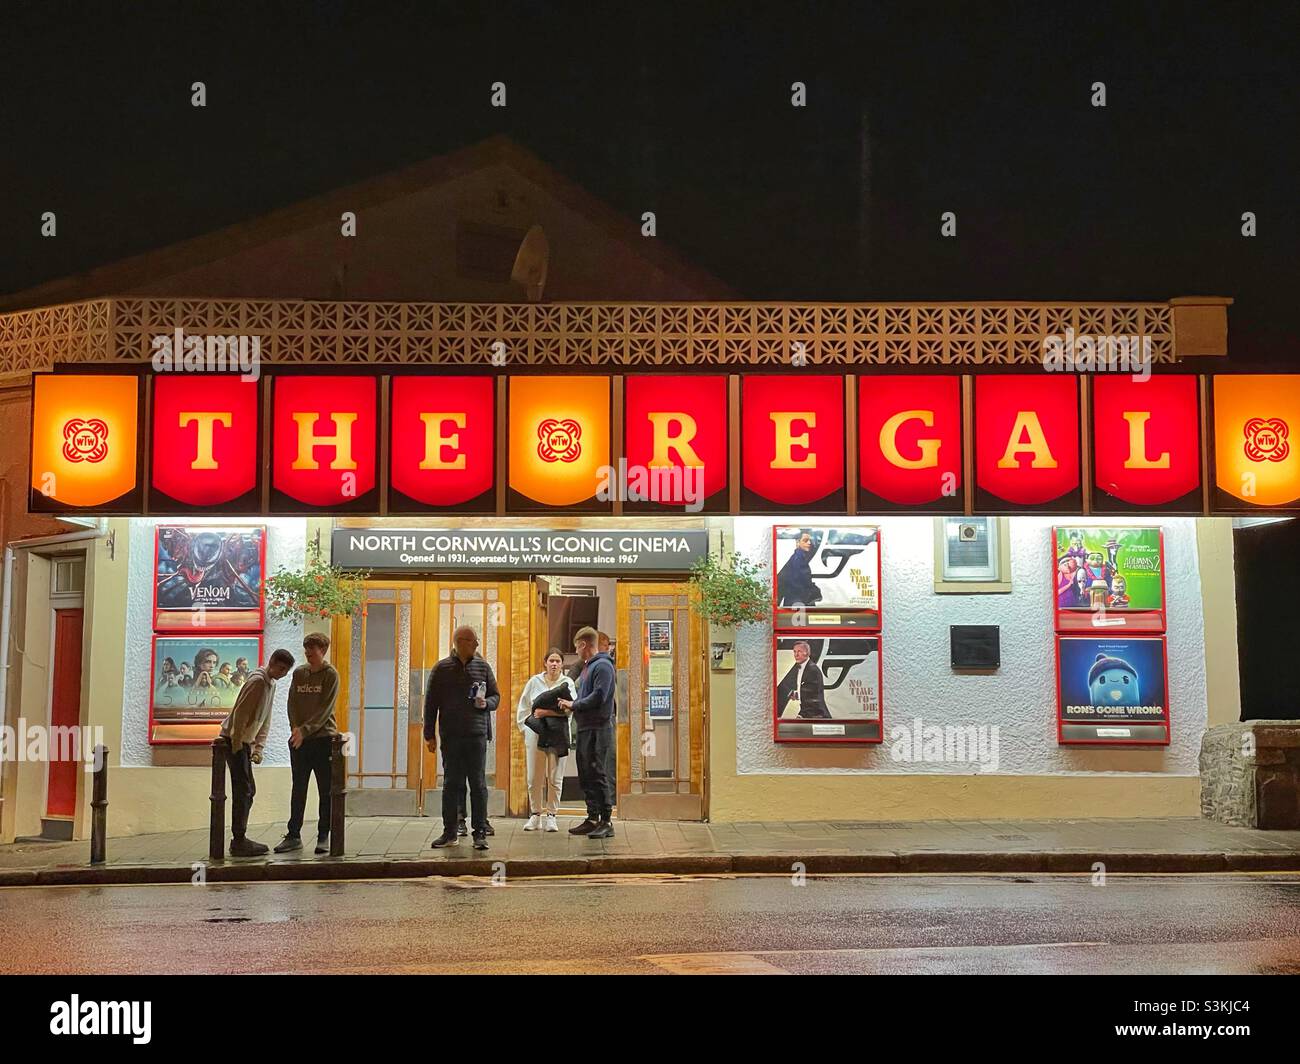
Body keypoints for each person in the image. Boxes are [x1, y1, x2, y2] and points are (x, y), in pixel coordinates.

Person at [425, 626, 499, 851]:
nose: (477, 644)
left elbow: (496, 695)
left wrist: (487, 703)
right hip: (451, 735)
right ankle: (450, 831)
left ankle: (479, 833)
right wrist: (429, 734)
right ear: (460, 641)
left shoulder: (483, 666)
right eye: (473, 640)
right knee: (451, 784)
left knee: (478, 784)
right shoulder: (442, 668)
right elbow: (431, 703)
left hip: (476, 734)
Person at [219, 648, 295, 857]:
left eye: (286, 671)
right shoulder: (258, 681)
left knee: (248, 790)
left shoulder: (270, 683)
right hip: (235, 740)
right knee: (244, 790)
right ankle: (239, 840)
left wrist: (258, 747)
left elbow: (265, 717)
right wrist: (236, 743)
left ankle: (240, 837)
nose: (282, 674)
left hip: (244, 742)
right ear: (271, 662)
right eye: (280, 668)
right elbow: (241, 712)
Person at [274, 632, 340, 855]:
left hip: (323, 740)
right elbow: (291, 702)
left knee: (326, 790)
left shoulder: (330, 675)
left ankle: (324, 836)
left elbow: (325, 710)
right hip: (299, 740)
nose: (309, 655)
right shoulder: (299, 673)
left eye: (313, 651)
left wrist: (305, 730)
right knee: (298, 788)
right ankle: (294, 835)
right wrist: (295, 728)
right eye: (306, 651)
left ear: (323, 650)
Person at [558, 626, 615, 838]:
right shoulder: (587, 667)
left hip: (598, 728)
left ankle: (607, 821)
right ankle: (593, 818)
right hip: (585, 727)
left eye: (577, 647)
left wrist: (574, 705)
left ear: (583, 645)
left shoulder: (603, 667)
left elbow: (599, 696)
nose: (577, 652)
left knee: (598, 773)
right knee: (586, 774)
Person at [517, 648, 577, 832]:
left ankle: (552, 815)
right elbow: (524, 708)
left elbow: (570, 708)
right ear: (545, 662)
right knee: (534, 776)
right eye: (551, 660)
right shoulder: (534, 682)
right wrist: (526, 729)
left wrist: (547, 713)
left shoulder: (567, 683)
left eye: (558, 661)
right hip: (535, 734)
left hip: (558, 735)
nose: (554, 664)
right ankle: (535, 814)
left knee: (555, 776)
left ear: (562, 664)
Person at [776, 640, 830, 719]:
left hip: (816, 715)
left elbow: (813, 699)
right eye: (794, 652)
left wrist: (802, 715)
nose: (796, 655)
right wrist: (797, 694)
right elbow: (808, 691)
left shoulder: (812, 671)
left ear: (807, 653)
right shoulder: (803, 668)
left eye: (799, 651)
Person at [777, 530, 822, 608]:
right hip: (799, 602)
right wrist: (813, 590)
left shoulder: (797, 557)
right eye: (805, 541)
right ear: (797, 542)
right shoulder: (799, 559)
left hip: (795, 601)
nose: (809, 543)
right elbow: (802, 582)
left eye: (810, 540)